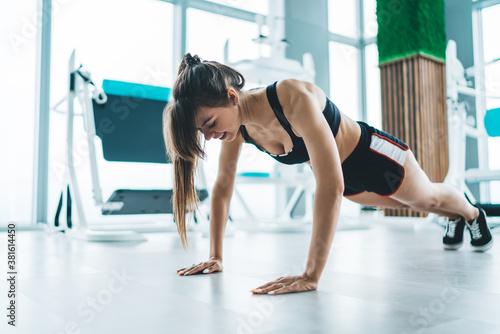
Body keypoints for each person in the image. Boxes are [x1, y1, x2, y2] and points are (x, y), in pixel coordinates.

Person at [163, 53, 493, 295]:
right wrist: (216, 255)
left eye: (209, 124)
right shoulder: (239, 129)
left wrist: (311, 274)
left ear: (232, 98)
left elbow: (329, 184)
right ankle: (454, 218)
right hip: (347, 179)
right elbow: (222, 187)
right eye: (201, 131)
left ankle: (472, 213)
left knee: (427, 198)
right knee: (409, 205)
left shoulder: (292, 97)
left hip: (376, 156)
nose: (209, 136)